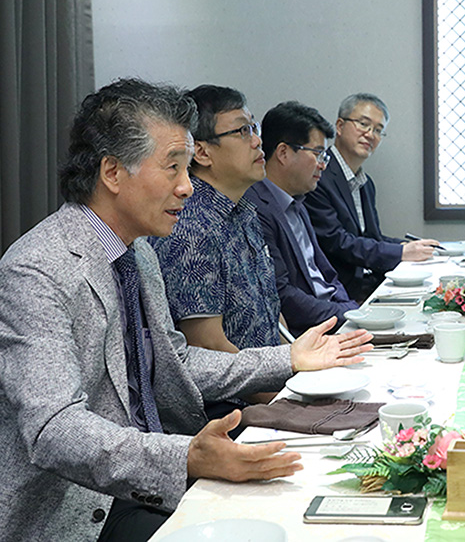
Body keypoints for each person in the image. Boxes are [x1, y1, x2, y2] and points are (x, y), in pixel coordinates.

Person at [0, 78, 372, 541]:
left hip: (152, 478)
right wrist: (183, 458)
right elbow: (55, 429)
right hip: (81, 508)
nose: (187, 188)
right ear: (113, 173)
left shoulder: (138, 252)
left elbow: (175, 363)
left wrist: (289, 360)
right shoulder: (37, 269)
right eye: (172, 168)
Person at [150, 85, 280, 416]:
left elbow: (268, 312)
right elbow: (207, 346)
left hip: (268, 387)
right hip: (227, 410)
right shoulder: (190, 225)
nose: (256, 141)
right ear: (203, 153)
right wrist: (286, 399)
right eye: (242, 130)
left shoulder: (245, 210)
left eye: (255, 128)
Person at [304, 93, 439, 301]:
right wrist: (400, 253)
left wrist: (406, 246)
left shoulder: (366, 183)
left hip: (372, 284)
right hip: (343, 292)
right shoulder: (319, 175)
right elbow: (337, 242)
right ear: (339, 126)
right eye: (363, 124)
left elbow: (371, 238)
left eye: (378, 130)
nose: (370, 135)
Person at [245, 101, 360, 337]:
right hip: (307, 334)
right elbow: (282, 295)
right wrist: (347, 314)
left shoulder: (298, 200)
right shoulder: (256, 207)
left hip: (335, 319)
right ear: (284, 153)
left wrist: (350, 311)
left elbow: (327, 276)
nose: (322, 165)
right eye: (318, 153)